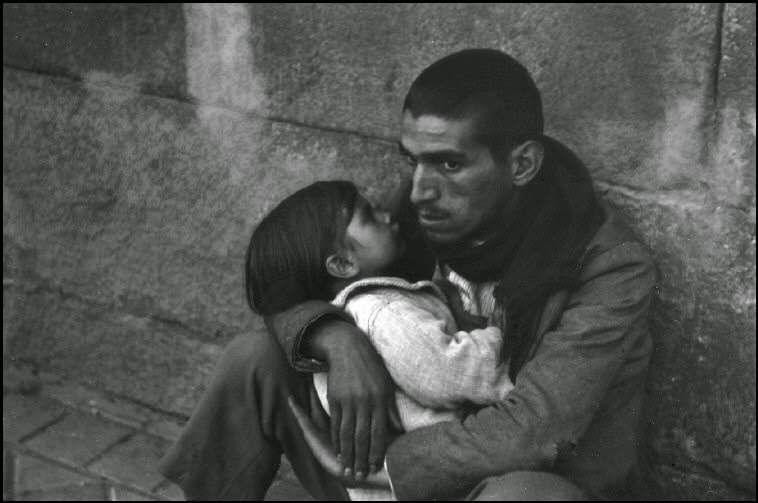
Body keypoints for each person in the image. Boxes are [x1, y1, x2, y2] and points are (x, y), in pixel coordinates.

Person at [159, 48, 657, 501]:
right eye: (412, 161)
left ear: (521, 163)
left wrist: (392, 471)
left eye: (449, 164)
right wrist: (335, 339)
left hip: (492, 481)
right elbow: (286, 284)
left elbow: (534, 432)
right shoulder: (425, 207)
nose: (419, 191)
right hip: (382, 468)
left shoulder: (609, 267)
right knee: (256, 358)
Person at [250, 179, 517, 500]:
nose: (388, 216)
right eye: (370, 217)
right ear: (343, 264)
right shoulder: (386, 313)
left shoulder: (377, 306)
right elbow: (452, 373)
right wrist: (507, 335)